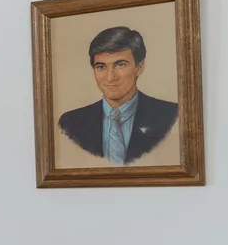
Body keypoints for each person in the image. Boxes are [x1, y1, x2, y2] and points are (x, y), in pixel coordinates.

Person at [56, 25, 179, 164]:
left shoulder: (172, 115)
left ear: (139, 67)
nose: (110, 77)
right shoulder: (70, 123)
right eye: (101, 67)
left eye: (120, 65)